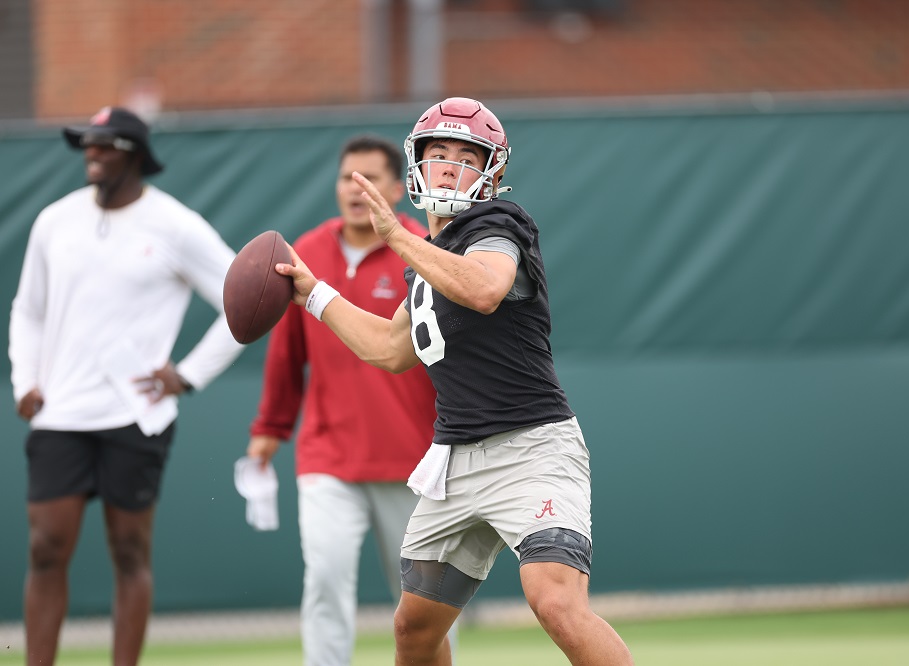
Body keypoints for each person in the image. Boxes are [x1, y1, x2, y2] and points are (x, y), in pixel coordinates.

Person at [275, 97, 634, 665]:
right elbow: (391, 349)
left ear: (494, 171)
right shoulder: (427, 258)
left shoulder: (497, 226)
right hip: (455, 461)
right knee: (414, 628)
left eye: (466, 156)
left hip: (531, 449)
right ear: (416, 164)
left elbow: (486, 287)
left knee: (555, 601)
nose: (448, 165)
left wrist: (397, 237)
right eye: (436, 152)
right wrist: (313, 294)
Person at [8, 106, 244, 666]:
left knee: (129, 552)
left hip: (135, 418)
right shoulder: (53, 221)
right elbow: (28, 310)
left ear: (134, 154)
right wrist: (26, 377)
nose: (91, 154)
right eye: (86, 145)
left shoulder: (176, 225)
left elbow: (244, 300)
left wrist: (187, 375)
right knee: (45, 550)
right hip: (60, 415)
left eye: (104, 145)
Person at [245, 134, 445, 665]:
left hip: (413, 461)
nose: (356, 190)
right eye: (345, 178)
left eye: (370, 178)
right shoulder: (305, 252)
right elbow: (286, 355)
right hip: (327, 457)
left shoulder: (422, 249)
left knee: (423, 607)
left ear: (399, 188)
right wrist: (269, 430)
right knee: (326, 581)